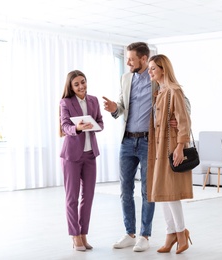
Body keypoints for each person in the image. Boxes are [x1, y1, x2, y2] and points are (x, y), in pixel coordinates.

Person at [102, 42, 156, 252]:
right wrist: (115, 109)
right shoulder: (125, 78)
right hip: (127, 141)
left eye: (131, 59)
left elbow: (182, 102)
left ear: (144, 59)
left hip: (148, 141)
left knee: (147, 191)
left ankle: (145, 235)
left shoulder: (156, 79)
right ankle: (129, 233)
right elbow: (122, 106)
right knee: (125, 189)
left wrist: (173, 120)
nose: (128, 62)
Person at [146, 54, 193, 254]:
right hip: (158, 147)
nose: (150, 72)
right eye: (149, 69)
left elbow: (184, 121)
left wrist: (180, 147)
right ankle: (171, 233)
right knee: (162, 194)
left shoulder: (175, 91)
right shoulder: (160, 92)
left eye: (153, 69)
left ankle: (181, 234)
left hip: (172, 146)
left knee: (171, 193)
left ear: (163, 69)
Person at [59, 70, 104, 252]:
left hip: (90, 154)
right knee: (72, 198)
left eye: (83, 82)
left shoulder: (93, 100)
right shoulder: (66, 102)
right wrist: (76, 127)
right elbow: (65, 126)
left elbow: (100, 123)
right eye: (76, 84)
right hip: (71, 156)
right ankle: (74, 235)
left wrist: (94, 126)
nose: (81, 86)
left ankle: (84, 233)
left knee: (89, 196)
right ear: (71, 87)